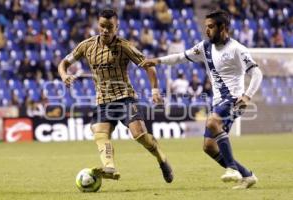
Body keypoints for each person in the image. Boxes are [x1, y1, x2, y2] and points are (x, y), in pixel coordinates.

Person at [140, 10, 263, 189]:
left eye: (211, 27)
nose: (207, 31)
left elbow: (257, 72)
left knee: (213, 122)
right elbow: (181, 57)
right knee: (209, 147)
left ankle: (231, 169)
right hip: (218, 101)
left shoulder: (237, 49)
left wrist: (247, 96)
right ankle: (247, 175)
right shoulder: (205, 47)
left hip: (234, 99)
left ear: (223, 28)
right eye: (206, 27)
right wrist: (157, 61)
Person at [58, 8, 173, 183]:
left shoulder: (124, 46)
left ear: (116, 27)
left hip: (125, 97)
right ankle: (109, 167)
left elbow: (149, 65)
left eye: (109, 27)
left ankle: (161, 158)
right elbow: (64, 63)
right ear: (98, 24)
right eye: (102, 26)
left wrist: (155, 90)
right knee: (99, 132)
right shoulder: (86, 45)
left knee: (140, 135)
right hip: (103, 101)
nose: (105, 30)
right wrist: (64, 75)